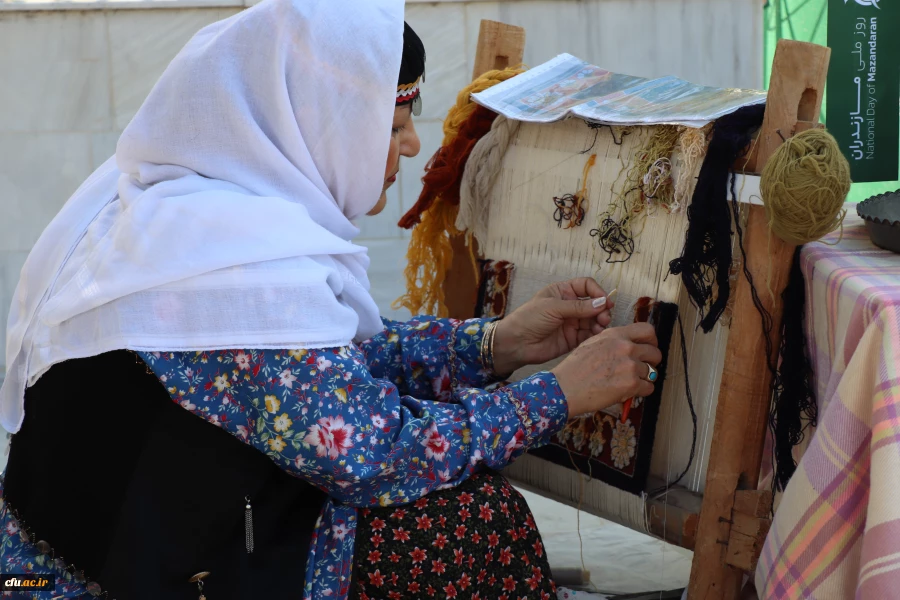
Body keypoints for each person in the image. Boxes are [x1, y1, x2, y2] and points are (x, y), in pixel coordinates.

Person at [0, 1, 661, 598]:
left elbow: (333, 366)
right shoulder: (232, 272)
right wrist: (558, 394)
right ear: (321, 120)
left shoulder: (171, 216)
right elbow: (373, 455)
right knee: (471, 521)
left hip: (118, 539)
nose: (410, 144)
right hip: (112, 577)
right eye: (395, 120)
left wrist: (498, 343)